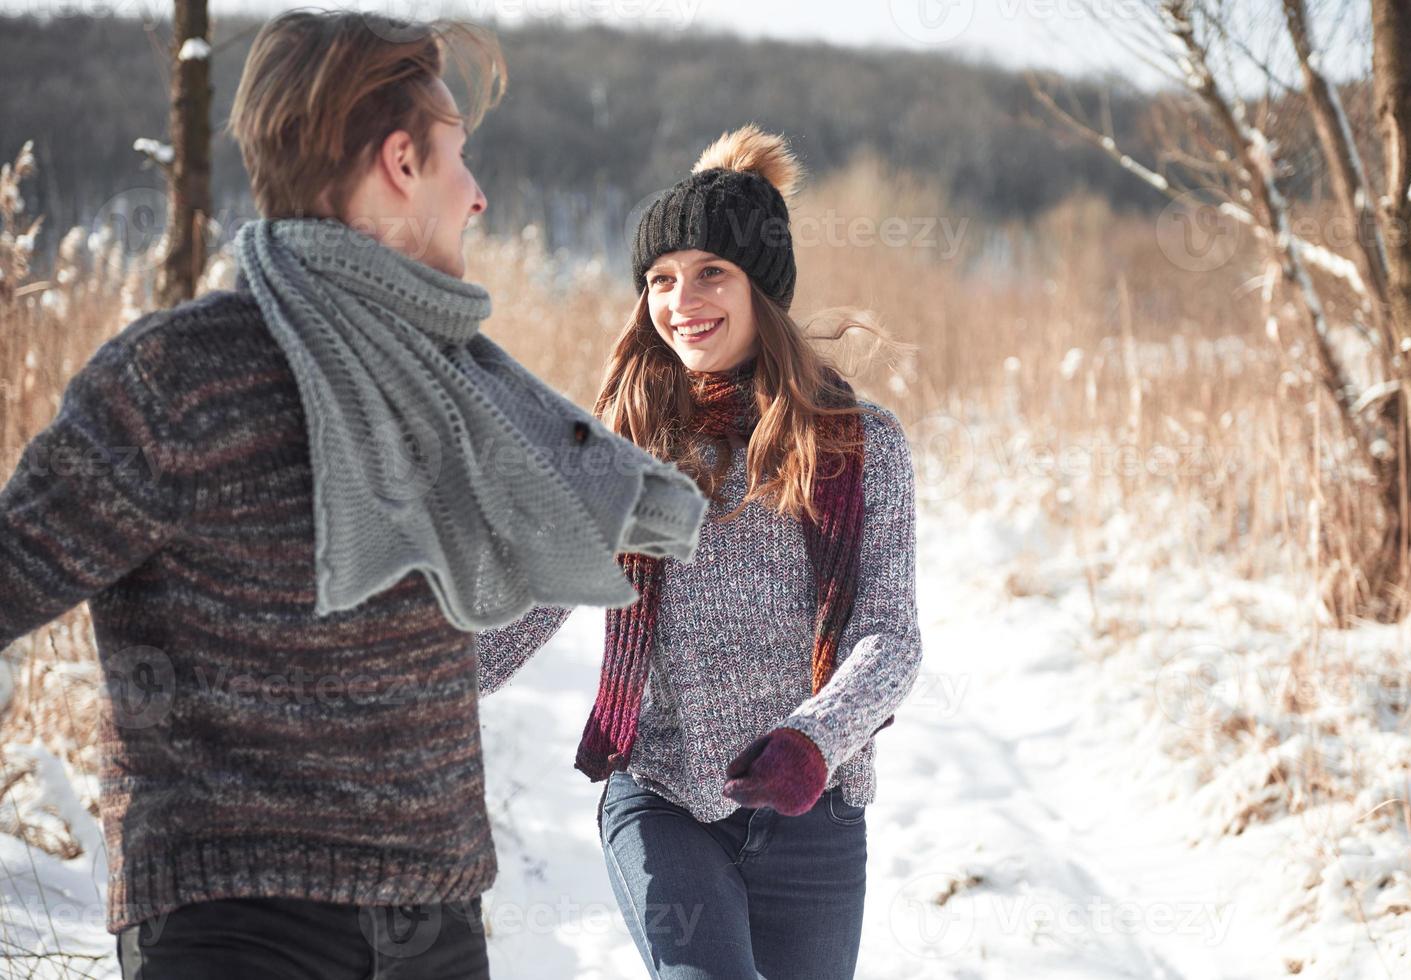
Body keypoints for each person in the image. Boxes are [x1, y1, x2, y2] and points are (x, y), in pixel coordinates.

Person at [0, 11, 705, 979]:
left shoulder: (460, 394)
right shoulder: (178, 378)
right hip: (230, 921)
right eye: (461, 156)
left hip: (434, 916)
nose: (479, 195)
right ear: (402, 162)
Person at [475, 124, 923, 980]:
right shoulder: (627, 444)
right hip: (663, 796)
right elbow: (530, 602)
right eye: (659, 279)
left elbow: (889, 637)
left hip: (813, 811)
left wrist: (813, 738)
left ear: (763, 285)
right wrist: (392, 687)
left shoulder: (860, 444)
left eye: (710, 272)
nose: (681, 299)